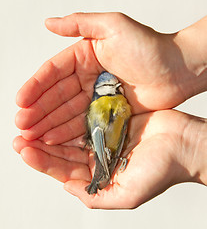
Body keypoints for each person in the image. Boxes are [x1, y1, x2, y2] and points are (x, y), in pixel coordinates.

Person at [13, 12, 207, 209]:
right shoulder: (99, 105)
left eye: (117, 86)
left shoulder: (122, 102)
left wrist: (180, 58)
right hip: (105, 147)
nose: (118, 88)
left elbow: (121, 130)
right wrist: (187, 146)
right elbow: (99, 134)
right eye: (112, 87)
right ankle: (101, 174)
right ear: (101, 90)